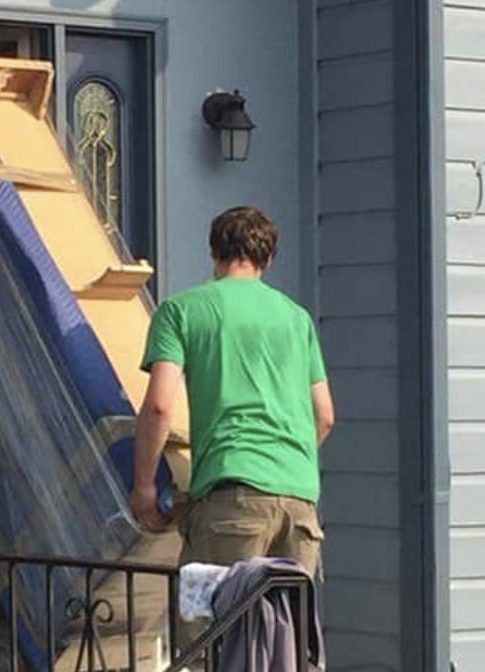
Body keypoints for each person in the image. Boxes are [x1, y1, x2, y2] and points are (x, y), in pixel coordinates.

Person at [129, 205, 335, 638]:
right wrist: (284, 459)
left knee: (214, 642)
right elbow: (325, 416)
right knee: (287, 648)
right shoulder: (297, 318)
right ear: (269, 258)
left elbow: (160, 406)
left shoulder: (182, 311)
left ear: (214, 251)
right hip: (300, 502)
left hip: (232, 499)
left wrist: (145, 484)